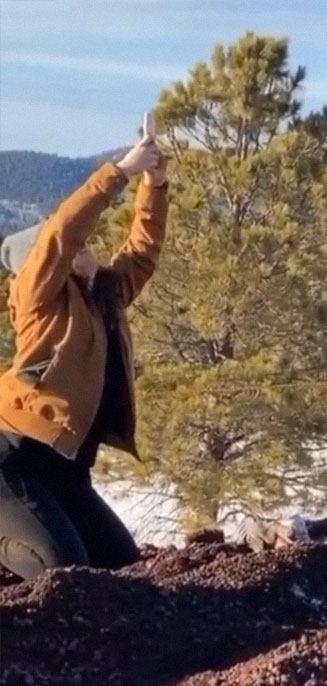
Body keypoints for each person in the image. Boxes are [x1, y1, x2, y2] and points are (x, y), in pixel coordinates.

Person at [0, 127, 169, 580]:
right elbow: (64, 231)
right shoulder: (37, 298)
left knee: (121, 571)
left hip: (65, 471)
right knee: (60, 571)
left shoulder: (102, 296)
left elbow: (143, 251)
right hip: (11, 462)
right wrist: (120, 171)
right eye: (72, 248)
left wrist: (154, 184)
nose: (83, 246)